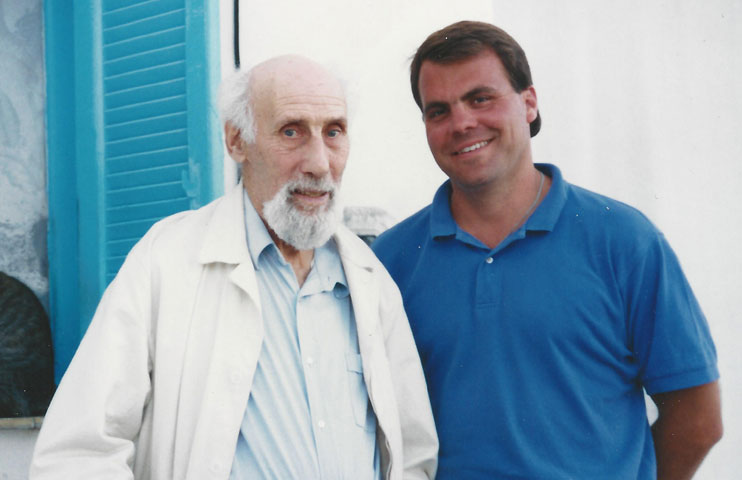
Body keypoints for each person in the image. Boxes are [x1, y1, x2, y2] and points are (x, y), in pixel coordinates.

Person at [30, 55, 438, 480]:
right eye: (291, 131)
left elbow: (412, 455)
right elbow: (77, 454)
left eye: (333, 132)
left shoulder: (368, 279)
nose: (319, 163)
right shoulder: (165, 261)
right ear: (236, 142)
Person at [372, 21, 721, 480]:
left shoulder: (624, 241)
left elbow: (697, 420)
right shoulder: (389, 261)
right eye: (439, 111)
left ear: (529, 103)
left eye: (481, 98)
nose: (461, 123)